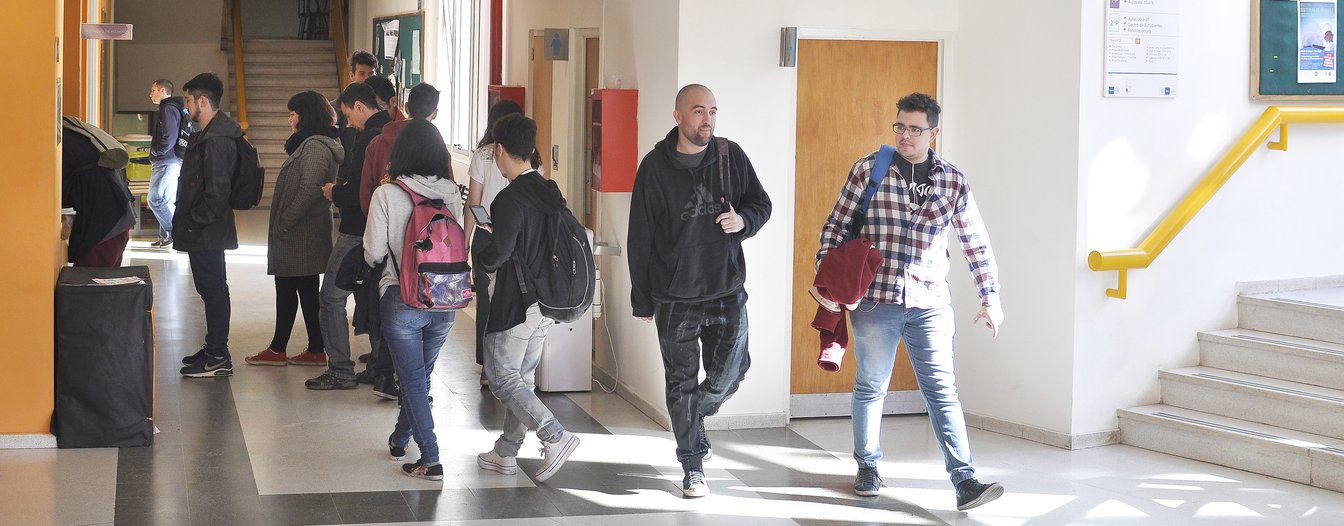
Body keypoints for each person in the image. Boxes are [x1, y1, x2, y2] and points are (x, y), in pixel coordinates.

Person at [816, 92, 1005, 511]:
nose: (904, 135)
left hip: (931, 302)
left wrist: (990, 296)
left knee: (942, 391)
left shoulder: (952, 181)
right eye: (899, 126)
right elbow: (835, 226)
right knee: (871, 386)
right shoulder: (870, 170)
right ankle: (867, 465)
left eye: (915, 129)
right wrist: (825, 283)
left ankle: (964, 480)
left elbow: (975, 242)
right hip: (875, 301)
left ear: (933, 133)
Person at [627, 84, 772, 498]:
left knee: (732, 372)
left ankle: (695, 414)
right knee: (680, 382)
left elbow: (761, 203)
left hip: (726, 289)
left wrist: (743, 221)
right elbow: (641, 236)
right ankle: (692, 464)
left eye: (712, 111)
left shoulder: (730, 155)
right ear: (677, 116)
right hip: (675, 297)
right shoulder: (654, 168)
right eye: (697, 111)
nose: (707, 119)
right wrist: (642, 297)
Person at [473, 114, 580, 484]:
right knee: (522, 378)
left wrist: (486, 245)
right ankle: (506, 452)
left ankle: (554, 435)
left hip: (518, 303)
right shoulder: (550, 190)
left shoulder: (509, 198)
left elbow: (497, 254)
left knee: (502, 377)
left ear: (500, 151)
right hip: (546, 302)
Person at [363, 119, 462, 480]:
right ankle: (400, 437)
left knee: (413, 380)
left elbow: (373, 252)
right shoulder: (451, 191)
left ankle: (431, 457)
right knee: (419, 375)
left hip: (402, 298)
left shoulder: (386, 194)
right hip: (445, 299)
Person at [355, 82, 443, 398]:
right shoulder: (438, 152)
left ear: (404, 105)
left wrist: (381, 222)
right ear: (435, 111)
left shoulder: (379, 144)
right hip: (429, 267)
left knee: (385, 314)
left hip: (387, 250)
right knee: (420, 338)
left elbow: (366, 194)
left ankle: (384, 375)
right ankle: (411, 390)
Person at [245, 91, 342, 367]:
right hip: (301, 230)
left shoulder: (314, 146)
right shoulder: (313, 143)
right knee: (300, 289)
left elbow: (309, 189)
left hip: (301, 231)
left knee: (295, 288)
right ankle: (310, 348)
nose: (289, 119)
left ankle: (284, 349)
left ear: (305, 115)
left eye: (293, 113)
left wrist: (285, 220)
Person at [307, 82, 391, 390]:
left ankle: (340, 368)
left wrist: (333, 192)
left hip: (357, 229)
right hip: (387, 229)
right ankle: (380, 368)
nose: (347, 123)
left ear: (359, 106)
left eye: (347, 115)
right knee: (375, 298)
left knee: (331, 295)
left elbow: (357, 190)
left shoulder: (369, 137)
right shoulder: (395, 131)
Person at [175, 72, 241, 378]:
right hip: (205, 230)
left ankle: (217, 356)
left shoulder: (217, 139)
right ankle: (214, 347)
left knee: (214, 291)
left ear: (203, 101)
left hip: (208, 231)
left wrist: (192, 223)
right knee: (210, 290)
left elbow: (216, 191)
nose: (186, 105)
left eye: (188, 100)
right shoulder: (208, 132)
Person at [464, 99, 524, 386]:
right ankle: (511, 365)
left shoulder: (482, 155)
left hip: (486, 237)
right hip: (517, 238)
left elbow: (473, 203)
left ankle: (488, 367)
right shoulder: (529, 155)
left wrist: (464, 242)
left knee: (485, 303)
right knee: (513, 299)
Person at [61, 119, 134, 267]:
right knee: (99, 284)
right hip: (115, 215)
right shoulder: (67, 129)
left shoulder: (57, 140)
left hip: (103, 225)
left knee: (91, 285)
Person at [148, 79, 186, 247]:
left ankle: (177, 233)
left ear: (162, 90)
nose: (150, 94)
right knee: (166, 200)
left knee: (154, 199)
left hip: (165, 161)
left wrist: (156, 152)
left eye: (153, 90)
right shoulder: (174, 108)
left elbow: (169, 137)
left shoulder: (168, 109)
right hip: (173, 160)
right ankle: (166, 236)